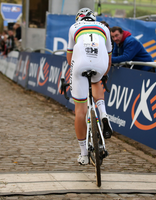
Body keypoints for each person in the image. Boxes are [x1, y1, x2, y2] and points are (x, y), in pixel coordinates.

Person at [66, 8, 113, 165]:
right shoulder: (104, 28)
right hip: (100, 63)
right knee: (96, 80)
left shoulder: (74, 27)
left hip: (80, 64)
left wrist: (76, 72)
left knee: (80, 110)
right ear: (94, 18)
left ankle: (84, 154)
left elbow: (69, 57)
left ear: (78, 18)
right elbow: (109, 58)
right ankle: (104, 114)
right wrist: (101, 74)